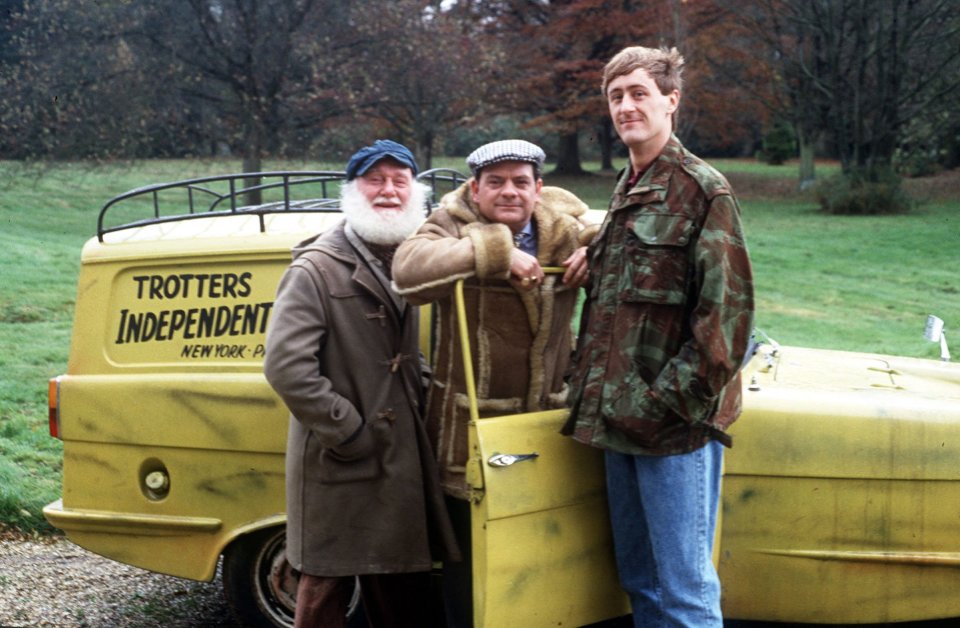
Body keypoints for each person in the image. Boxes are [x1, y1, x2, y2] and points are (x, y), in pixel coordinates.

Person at [563, 46, 754, 627]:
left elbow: (728, 317)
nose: (625, 106)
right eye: (616, 96)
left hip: (672, 427)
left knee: (685, 592)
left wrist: (667, 403)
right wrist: (594, 252)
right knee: (642, 585)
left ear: (672, 101)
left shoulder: (702, 188)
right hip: (618, 420)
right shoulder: (627, 188)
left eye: (638, 93)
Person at [391, 139, 595, 626]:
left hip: (546, 430)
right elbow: (407, 273)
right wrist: (494, 252)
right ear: (475, 189)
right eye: (496, 182)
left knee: (541, 561)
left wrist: (596, 248)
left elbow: (611, 229)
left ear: (538, 188)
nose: (510, 192)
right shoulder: (450, 225)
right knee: (473, 571)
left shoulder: (562, 229)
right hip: (470, 440)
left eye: (521, 182)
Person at [263, 139, 460, 628]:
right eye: (375, 180)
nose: (388, 191)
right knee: (326, 586)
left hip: (396, 457)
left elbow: (404, 355)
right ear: (352, 190)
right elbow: (286, 366)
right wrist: (349, 431)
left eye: (400, 180)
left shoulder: (405, 257)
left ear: (416, 191)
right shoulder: (315, 267)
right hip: (342, 458)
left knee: (397, 576)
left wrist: (436, 399)